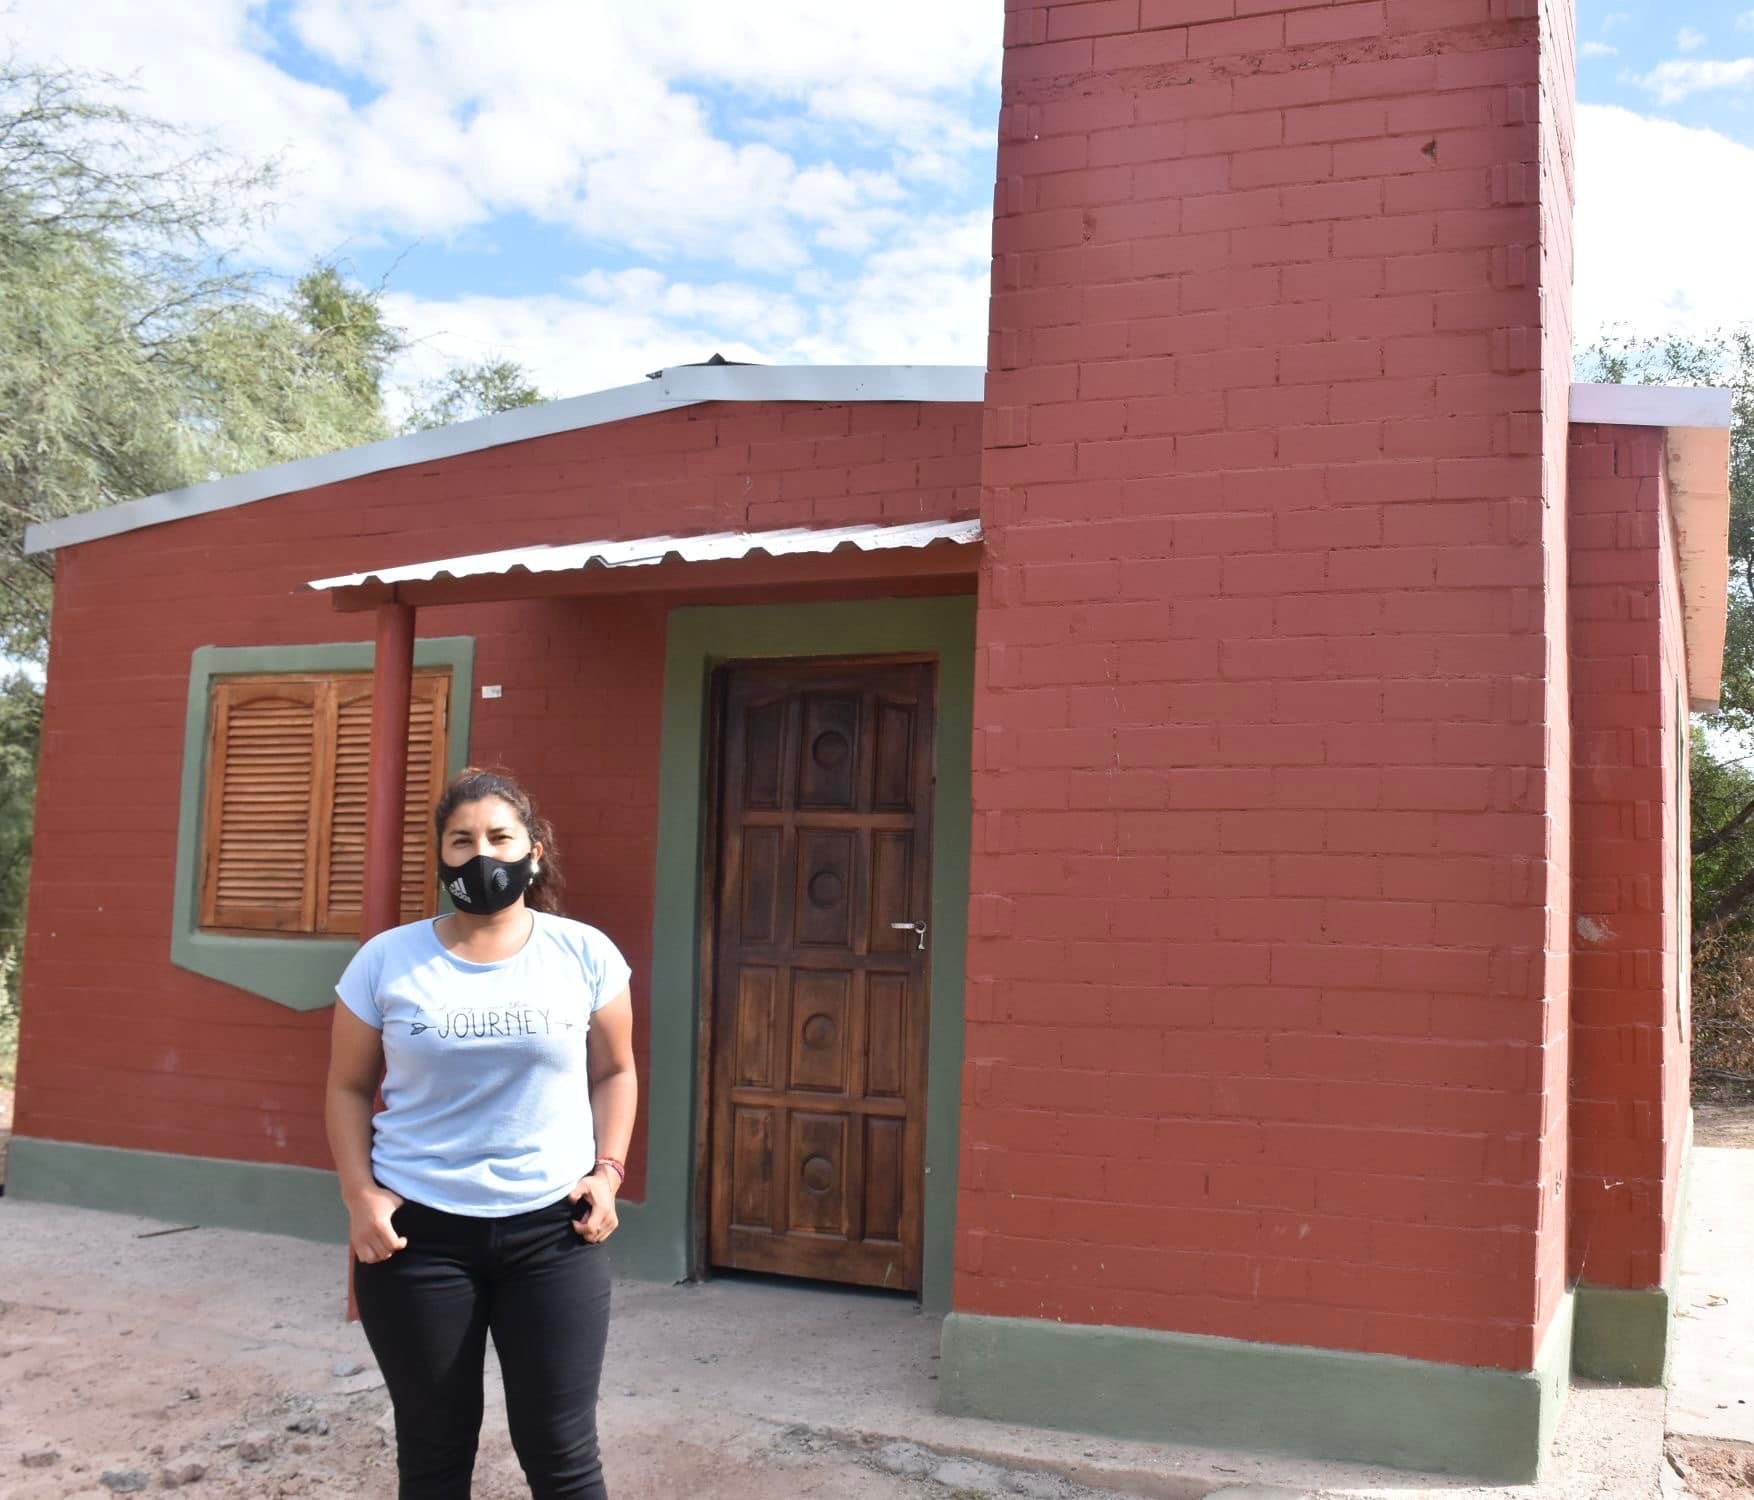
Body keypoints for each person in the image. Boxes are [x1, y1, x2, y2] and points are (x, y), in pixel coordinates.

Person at [325, 766, 638, 1500]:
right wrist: (359, 1196)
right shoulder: (385, 960)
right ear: (440, 855)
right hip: (417, 1240)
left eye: (500, 837)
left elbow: (616, 1070)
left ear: (533, 851)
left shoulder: (584, 953)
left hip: (555, 1235)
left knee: (563, 1458)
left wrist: (609, 1173)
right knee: (433, 1458)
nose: (481, 855)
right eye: (461, 841)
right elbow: (346, 1087)